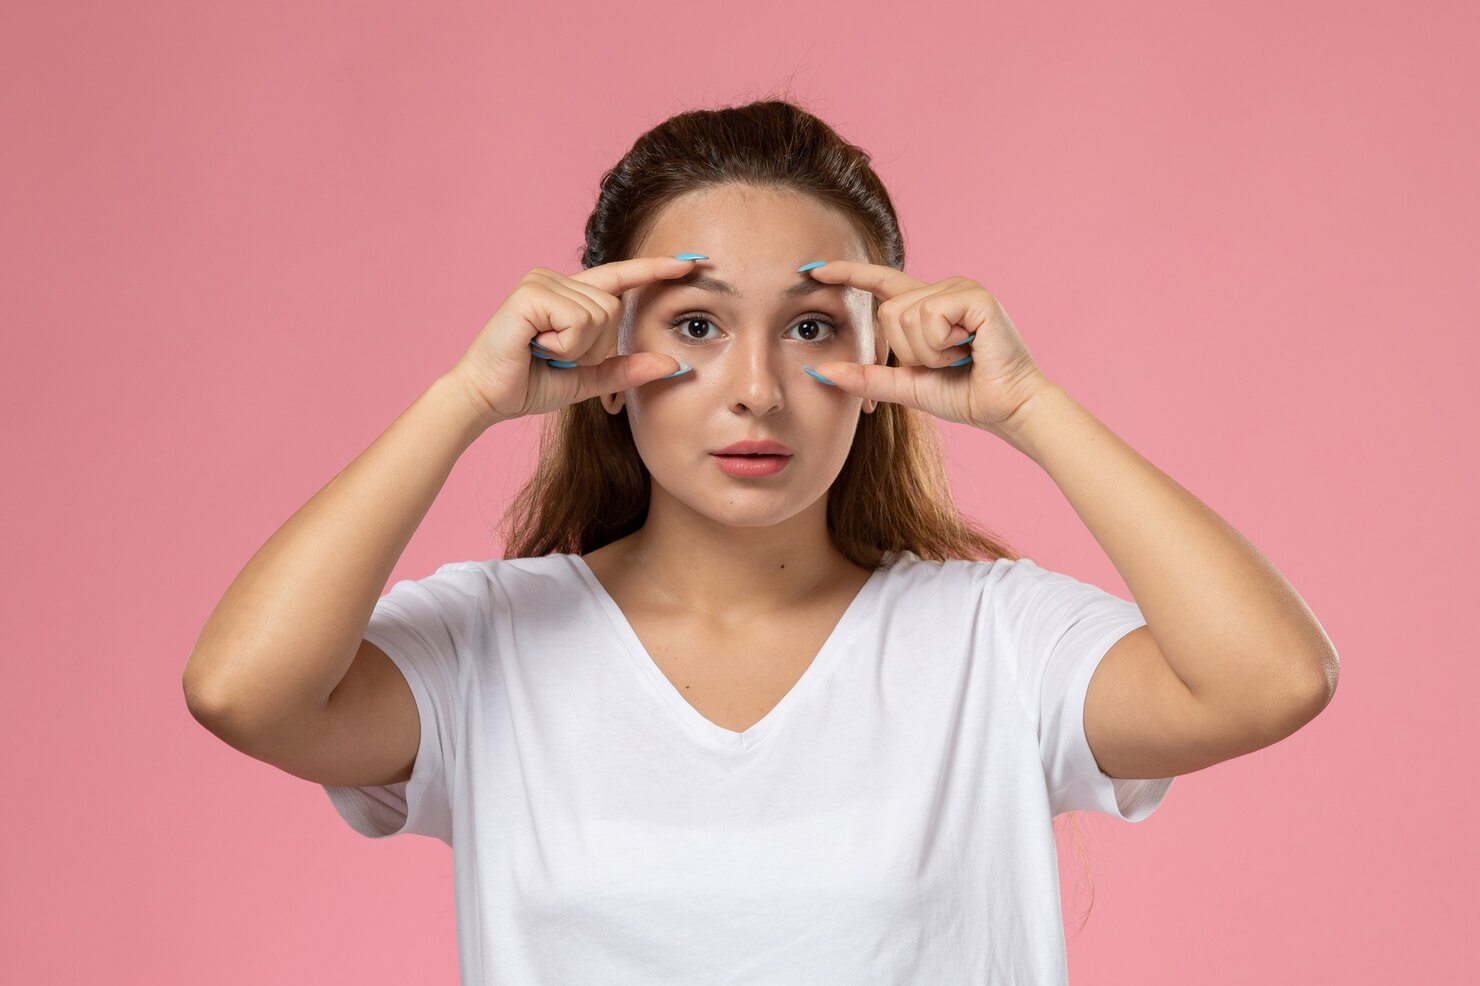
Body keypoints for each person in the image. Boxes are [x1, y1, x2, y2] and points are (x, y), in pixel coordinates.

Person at [183, 97, 1338, 984]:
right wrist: (462, 399)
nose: (755, 389)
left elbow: (1270, 678)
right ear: (601, 366)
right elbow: (243, 689)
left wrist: (1029, 406)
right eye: (695, 325)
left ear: (879, 365)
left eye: (809, 328)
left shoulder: (992, 638)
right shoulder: (490, 641)